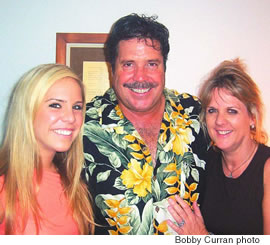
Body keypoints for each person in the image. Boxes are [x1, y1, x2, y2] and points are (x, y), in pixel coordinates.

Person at [82, 13, 208, 235]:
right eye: (128, 64)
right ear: (112, 69)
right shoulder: (85, 124)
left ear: (164, 68)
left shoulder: (196, 113)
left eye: (151, 64)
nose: (140, 77)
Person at [167, 58, 270, 235]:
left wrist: (203, 238)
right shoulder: (206, 161)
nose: (220, 121)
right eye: (212, 110)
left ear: (252, 117)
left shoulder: (266, 168)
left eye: (232, 111)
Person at [0, 64, 94, 234]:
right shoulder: (4, 185)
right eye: (56, 105)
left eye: (77, 107)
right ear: (27, 110)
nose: (70, 117)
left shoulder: (76, 186)